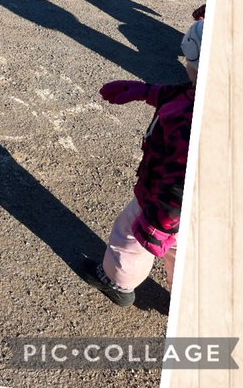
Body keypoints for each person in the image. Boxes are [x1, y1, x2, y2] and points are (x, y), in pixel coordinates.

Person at [77, 18, 203, 307]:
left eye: (188, 61)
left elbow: (183, 181)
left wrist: (160, 222)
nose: (185, 66)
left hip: (160, 203)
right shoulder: (208, 97)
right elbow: (182, 94)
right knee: (186, 255)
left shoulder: (193, 124)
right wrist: (145, 91)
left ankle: (117, 282)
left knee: (130, 239)